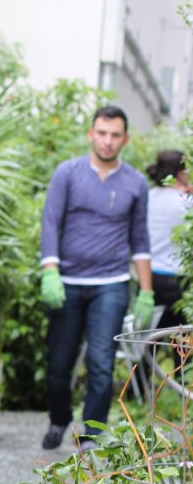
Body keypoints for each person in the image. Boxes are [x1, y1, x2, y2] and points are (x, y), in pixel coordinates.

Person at [40, 105, 153, 449]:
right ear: (91, 134)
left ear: (125, 139)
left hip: (112, 284)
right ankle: (59, 419)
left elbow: (140, 239)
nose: (107, 141)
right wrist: (50, 272)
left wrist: (146, 291)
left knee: (101, 362)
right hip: (68, 283)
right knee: (59, 364)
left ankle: (90, 433)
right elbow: (51, 222)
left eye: (115, 135)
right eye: (101, 133)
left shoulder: (136, 183)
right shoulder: (68, 173)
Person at [146, 149, 192, 328]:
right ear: (180, 174)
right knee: (181, 340)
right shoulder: (185, 202)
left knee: (151, 337)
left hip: (150, 277)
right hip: (179, 280)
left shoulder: (148, 197)